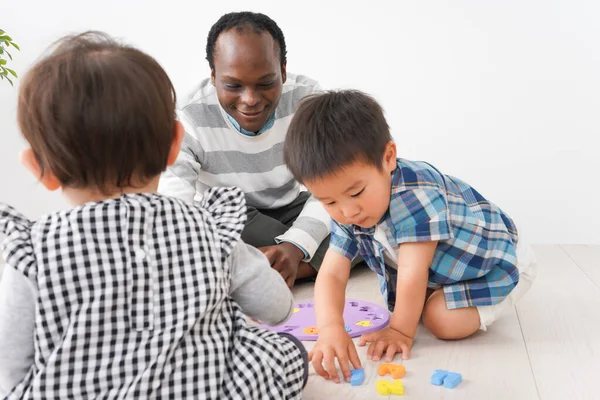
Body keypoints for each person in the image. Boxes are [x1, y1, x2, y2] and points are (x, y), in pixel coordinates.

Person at [0, 31, 307, 399]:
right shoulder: (208, 226)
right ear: (174, 144)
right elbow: (276, 308)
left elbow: (11, 369)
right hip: (206, 387)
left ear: (38, 168)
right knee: (287, 354)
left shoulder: (33, 250)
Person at [282, 90, 537, 383]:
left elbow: (412, 273)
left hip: (500, 262)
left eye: (356, 192)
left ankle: (495, 294)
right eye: (329, 202)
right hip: (447, 270)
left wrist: (400, 330)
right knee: (416, 303)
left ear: (388, 158)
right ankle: (436, 295)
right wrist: (330, 328)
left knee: (439, 320)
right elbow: (332, 274)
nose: (348, 211)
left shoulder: (416, 195)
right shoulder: (349, 207)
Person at [159, 12, 331, 287]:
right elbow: (174, 206)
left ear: (283, 71)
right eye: (233, 85)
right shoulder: (189, 117)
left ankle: (278, 268)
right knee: (210, 223)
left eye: (265, 83)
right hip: (234, 217)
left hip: (291, 208)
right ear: (214, 76)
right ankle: (315, 262)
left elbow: (333, 184)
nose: (250, 100)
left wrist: (295, 245)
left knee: (362, 217)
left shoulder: (308, 101)